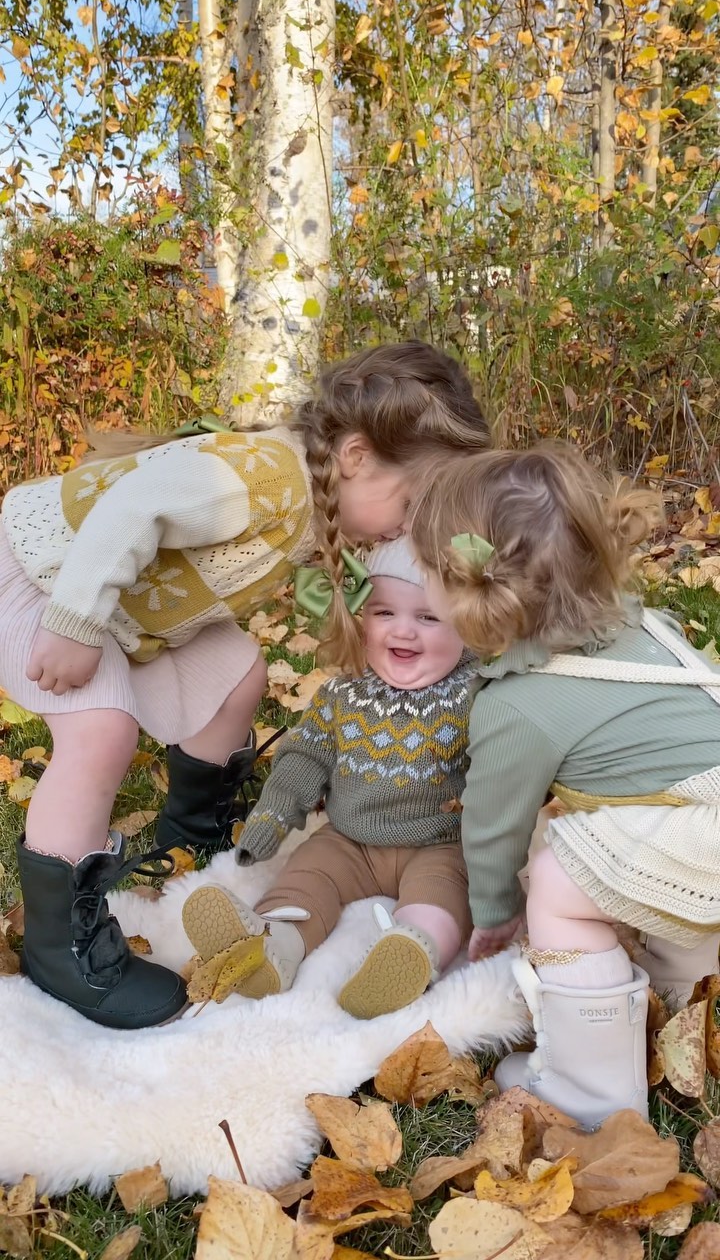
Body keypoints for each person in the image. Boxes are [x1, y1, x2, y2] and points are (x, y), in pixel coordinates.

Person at [0, 342, 490, 1030]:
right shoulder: (267, 478)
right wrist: (75, 622)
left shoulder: (324, 502)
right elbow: (132, 507)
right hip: (48, 578)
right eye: (412, 503)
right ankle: (61, 946)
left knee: (239, 672)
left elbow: (396, 578)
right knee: (100, 731)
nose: (410, 524)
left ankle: (193, 838)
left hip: (125, 603)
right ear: (356, 455)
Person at [410, 443, 720, 1128]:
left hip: (707, 833)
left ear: (468, 589)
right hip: (706, 822)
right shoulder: (642, 623)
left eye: (425, 571)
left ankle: (592, 1086)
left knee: (556, 880)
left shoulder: (518, 706)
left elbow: (494, 825)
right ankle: (677, 1010)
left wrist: (496, 912)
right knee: (659, 860)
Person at [181, 537, 476, 1019]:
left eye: (428, 617)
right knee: (308, 875)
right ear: (359, 620)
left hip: (438, 842)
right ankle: (272, 945)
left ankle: (414, 950)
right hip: (349, 840)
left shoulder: (475, 695)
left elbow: (502, 763)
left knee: (443, 891)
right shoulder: (344, 693)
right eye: (384, 613)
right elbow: (305, 757)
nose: (403, 630)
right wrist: (273, 815)